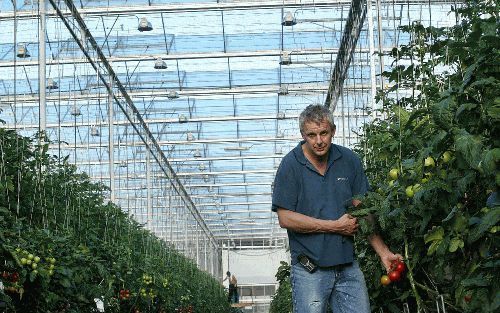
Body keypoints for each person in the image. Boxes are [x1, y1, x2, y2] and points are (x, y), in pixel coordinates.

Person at [271, 104, 402, 313]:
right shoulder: (291, 165)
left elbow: (363, 210)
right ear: (302, 134)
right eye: (311, 135)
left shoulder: (348, 161)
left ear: (333, 130)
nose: (319, 141)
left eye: (324, 133)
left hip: (347, 266)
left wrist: (383, 251)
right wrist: (334, 226)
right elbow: (285, 218)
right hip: (309, 269)